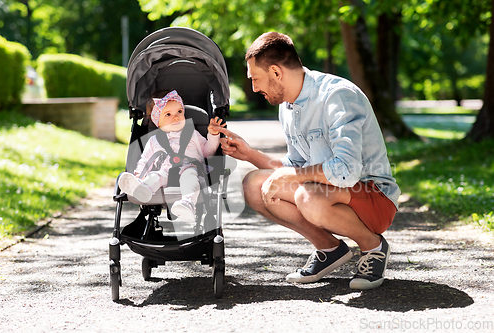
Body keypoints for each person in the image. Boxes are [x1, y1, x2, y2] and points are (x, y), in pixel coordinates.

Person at [219, 32, 400, 290]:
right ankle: (329, 249)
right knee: (254, 185)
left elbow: (346, 171)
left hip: (372, 195)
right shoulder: (288, 106)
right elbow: (296, 167)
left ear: (276, 72)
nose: (254, 88)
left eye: (255, 79)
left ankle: (373, 246)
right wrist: (249, 154)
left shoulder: (337, 96)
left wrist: (293, 176)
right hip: (327, 192)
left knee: (308, 195)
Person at [119, 90, 226, 223]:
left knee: (190, 177)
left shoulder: (192, 134)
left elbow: (207, 152)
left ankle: (187, 203)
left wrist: (213, 135)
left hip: (189, 168)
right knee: (154, 177)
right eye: (168, 114)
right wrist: (138, 174)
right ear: (158, 121)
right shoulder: (153, 140)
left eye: (179, 112)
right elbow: (145, 161)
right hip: (164, 173)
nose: (175, 117)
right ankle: (142, 188)